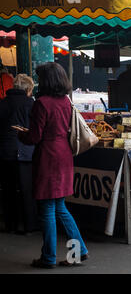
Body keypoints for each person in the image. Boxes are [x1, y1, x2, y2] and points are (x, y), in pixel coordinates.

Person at [17, 62, 89, 269]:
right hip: (64, 155)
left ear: (46, 80)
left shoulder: (42, 103)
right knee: (60, 207)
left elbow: (35, 136)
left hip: (48, 157)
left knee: (48, 208)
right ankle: (79, 251)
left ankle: (48, 257)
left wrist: (22, 134)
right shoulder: (66, 101)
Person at [0, 74, 38, 234]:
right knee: (27, 190)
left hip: (4, 152)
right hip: (26, 152)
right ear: (28, 89)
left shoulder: (2, 103)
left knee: (8, 190)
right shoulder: (31, 103)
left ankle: (10, 225)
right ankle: (29, 226)